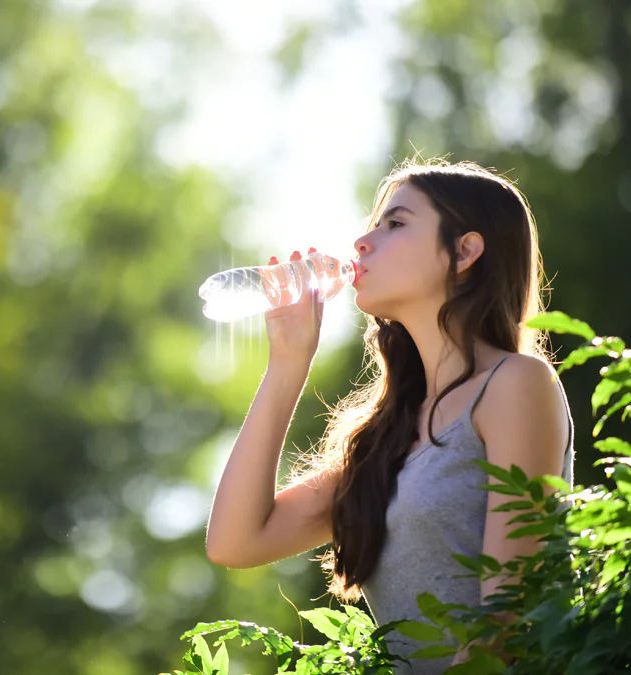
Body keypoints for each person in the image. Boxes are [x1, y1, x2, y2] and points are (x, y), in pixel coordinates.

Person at [203, 159, 575, 674]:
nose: (361, 241)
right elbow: (234, 541)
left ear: (465, 251)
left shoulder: (515, 384)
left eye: (395, 224)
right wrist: (288, 364)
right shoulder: (384, 440)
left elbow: (506, 621)